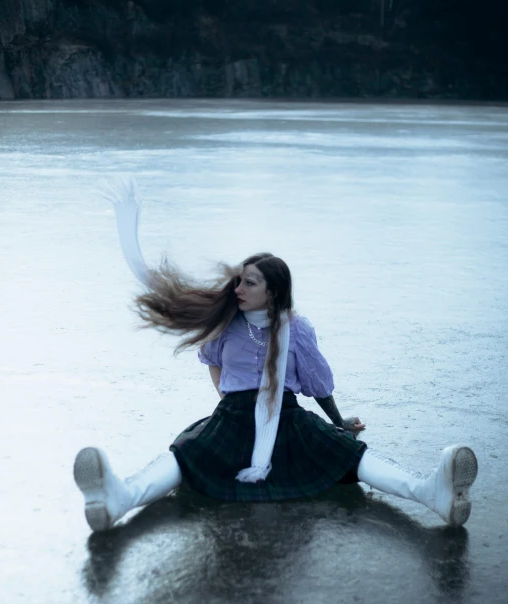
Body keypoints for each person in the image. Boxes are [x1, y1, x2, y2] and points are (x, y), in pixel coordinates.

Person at [73, 179, 478, 532]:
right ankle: (117, 499)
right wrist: (228, 396)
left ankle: (433, 493)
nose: (239, 288)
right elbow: (210, 359)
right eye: (239, 280)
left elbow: (318, 385)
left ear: (273, 291)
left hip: (286, 417)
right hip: (231, 418)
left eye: (250, 282)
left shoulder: (296, 329)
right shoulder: (226, 322)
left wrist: (339, 423)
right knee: (182, 458)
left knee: (353, 457)